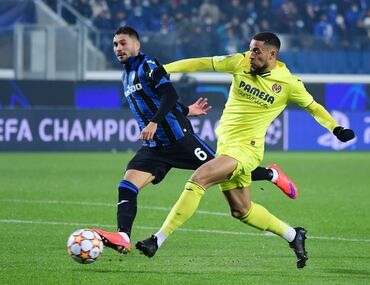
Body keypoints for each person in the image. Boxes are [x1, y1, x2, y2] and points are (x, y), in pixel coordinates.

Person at [135, 32, 355, 268]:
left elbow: (313, 107)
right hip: (226, 147)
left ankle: (157, 240)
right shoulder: (240, 62)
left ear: (273, 54)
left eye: (257, 51)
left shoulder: (288, 83)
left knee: (200, 178)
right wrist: (165, 69)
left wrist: (336, 128)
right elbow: (204, 62)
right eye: (250, 49)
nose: (251, 55)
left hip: (247, 149)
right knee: (241, 211)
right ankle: (294, 235)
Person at [93, 27, 302, 254]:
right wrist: (186, 109)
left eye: (123, 43)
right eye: (115, 45)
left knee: (221, 170)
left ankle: (271, 174)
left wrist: (154, 122)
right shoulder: (126, 74)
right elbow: (158, 100)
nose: (118, 48)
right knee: (127, 185)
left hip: (180, 140)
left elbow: (169, 95)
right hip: (154, 147)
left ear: (137, 45)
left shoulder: (149, 66)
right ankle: (123, 236)